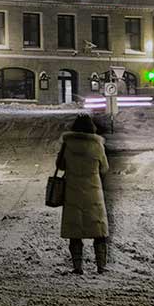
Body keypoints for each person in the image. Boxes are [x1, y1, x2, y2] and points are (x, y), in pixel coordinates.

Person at [56, 113, 110, 274]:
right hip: (93, 192)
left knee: (75, 231)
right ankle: (101, 266)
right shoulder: (97, 145)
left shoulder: (67, 144)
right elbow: (104, 168)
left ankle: (77, 267)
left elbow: (60, 166)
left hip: (72, 191)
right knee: (98, 231)